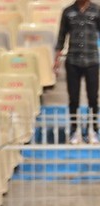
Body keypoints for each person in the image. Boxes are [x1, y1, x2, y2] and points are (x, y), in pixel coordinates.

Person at [54, 0, 100, 145]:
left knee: (93, 97)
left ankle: (93, 129)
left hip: (92, 60)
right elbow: (61, 37)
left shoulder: (97, 10)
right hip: (73, 61)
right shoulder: (67, 11)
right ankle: (75, 131)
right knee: (73, 98)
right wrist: (56, 59)